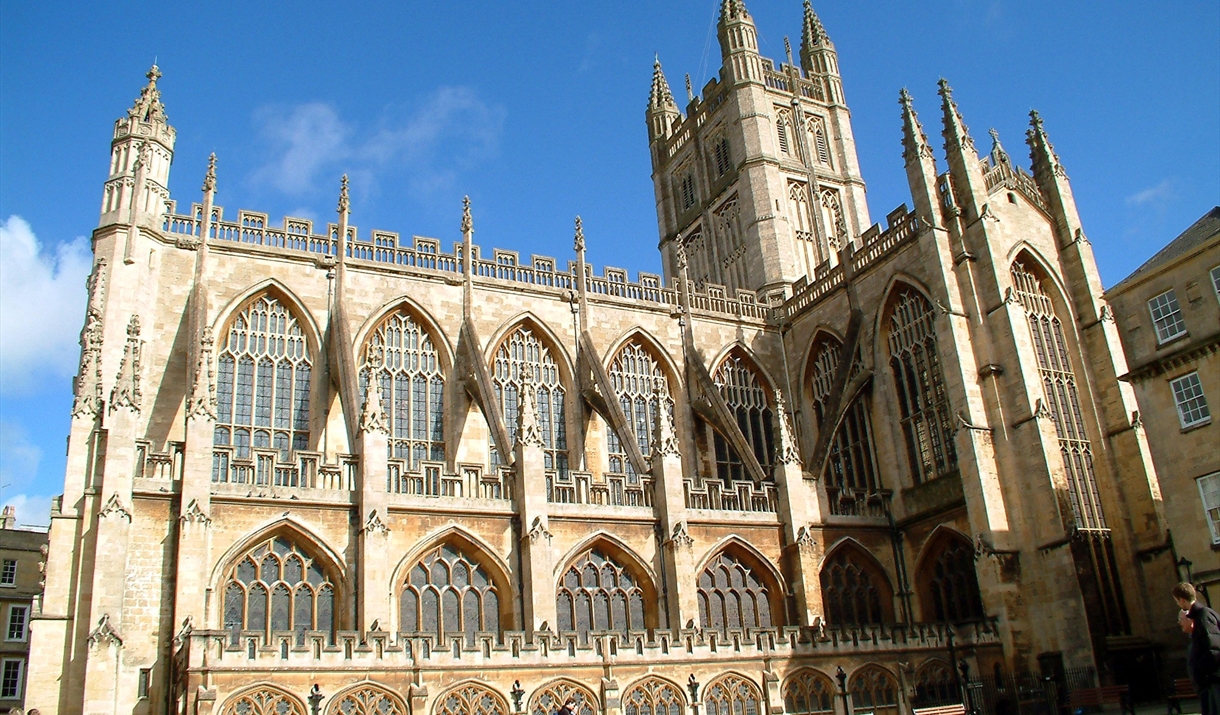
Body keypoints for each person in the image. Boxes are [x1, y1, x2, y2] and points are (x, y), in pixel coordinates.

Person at [1174, 583, 1220, 715]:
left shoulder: (1203, 616)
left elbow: (1213, 649)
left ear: (1182, 600)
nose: (1178, 604)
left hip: (1214, 678)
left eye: (1177, 601)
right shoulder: (1202, 614)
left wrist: (1204, 673)